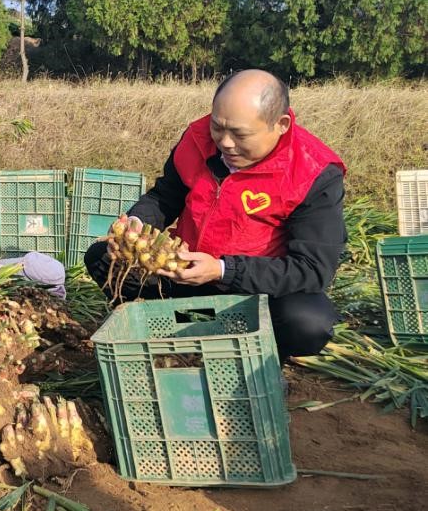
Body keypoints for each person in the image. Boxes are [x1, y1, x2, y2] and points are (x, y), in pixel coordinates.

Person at [83, 69, 345, 359]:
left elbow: (312, 268)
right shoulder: (197, 139)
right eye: (218, 127)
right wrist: (138, 222)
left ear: (281, 124)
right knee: (103, 258)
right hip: (184, 275)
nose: (226, 142)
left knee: (308, 322)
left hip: (254, 292)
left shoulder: (313, 172)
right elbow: (164, 196)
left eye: (240, 134)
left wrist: (223, 270)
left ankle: (262, 356)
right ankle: (166, 336)